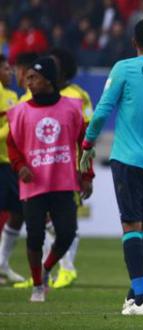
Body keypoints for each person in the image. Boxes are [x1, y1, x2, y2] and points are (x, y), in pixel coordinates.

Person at [79, 18, 143, 315]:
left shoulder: (123, 68)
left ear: (134, 41)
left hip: (127, 157)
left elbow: (102, 111)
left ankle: (141, 298)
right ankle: (134, 295)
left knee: (130, 225)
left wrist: (88, 144)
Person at [7, 57, 93, 302]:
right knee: (35, 237)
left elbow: (85, 143)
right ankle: (37, 286)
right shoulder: (20, 110)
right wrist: (20, 165)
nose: (27, 81)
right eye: (28, 77)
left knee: (67, 234)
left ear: (48, 80)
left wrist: (87, 175)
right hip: (33, 185)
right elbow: (12, 144)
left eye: (33, 77)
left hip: (64, 183)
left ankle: (45, 270)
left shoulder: (73, 107)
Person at [0, 54, 24, 283]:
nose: (10, 72)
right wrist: (10, 128)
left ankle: (2, 264)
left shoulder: (11, 96)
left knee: (18, 212)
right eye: (6, 69)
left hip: (10, 164)